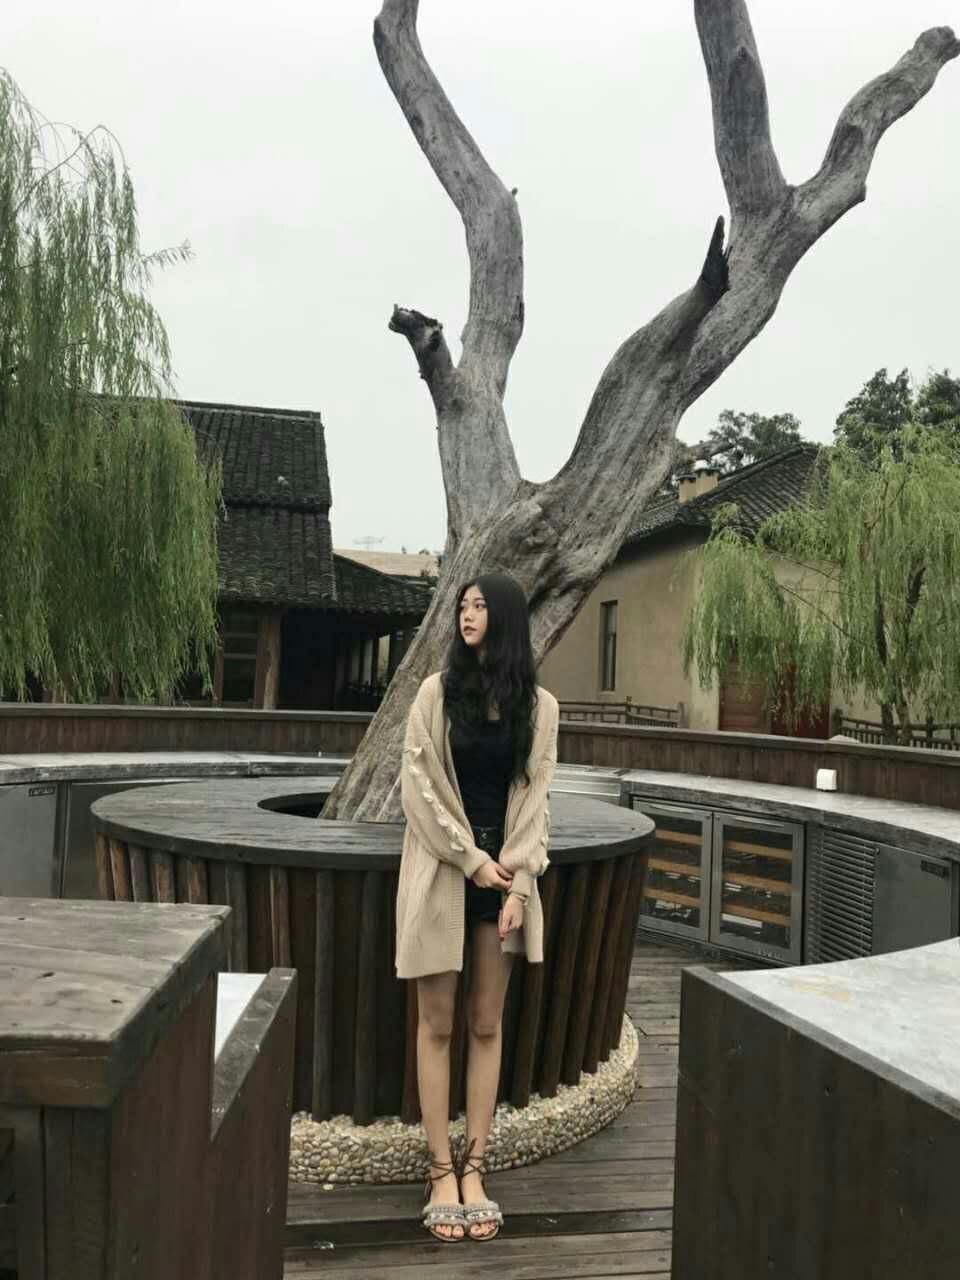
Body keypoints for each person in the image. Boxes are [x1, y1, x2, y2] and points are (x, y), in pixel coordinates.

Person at [396, 572, 559, 1243]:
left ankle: (475, 1167)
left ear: (507, 617)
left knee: (486, 1023)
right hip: (444, 870)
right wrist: (471, 860)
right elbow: (417, 788)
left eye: (480, 605)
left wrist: (517, 884)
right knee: (437, 1023)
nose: (467, 615)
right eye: (462, 606)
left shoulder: (540, 707)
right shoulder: (435, 694)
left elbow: (537, 799)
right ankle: (440, 1171)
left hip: (506, 880)